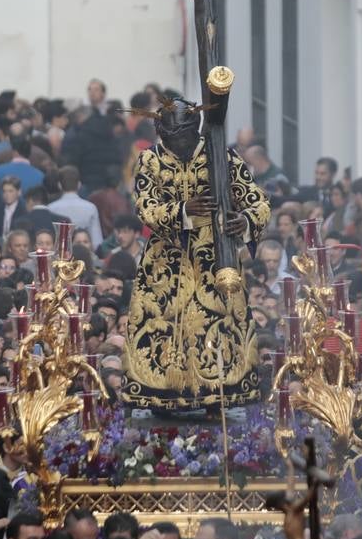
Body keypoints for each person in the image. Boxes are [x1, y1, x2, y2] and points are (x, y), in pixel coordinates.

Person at [122, 98, 270, 411]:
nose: (181, 144)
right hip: (167, 261)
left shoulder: (222, 155)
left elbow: (257, 201)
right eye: (173, 138)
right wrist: (181, 211)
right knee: (162, 326)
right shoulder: (150, 160)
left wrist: (244, 220)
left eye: (186, 136)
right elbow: (144, 206)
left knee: (219, 324)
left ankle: (221, 391)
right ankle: (165, 397)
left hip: (215, 257)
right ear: (162, 133)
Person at [47, 166, 103, 250]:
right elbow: (97, 242)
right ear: (79, 185)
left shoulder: (50, 208)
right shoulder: (91, 208)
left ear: (59, 185)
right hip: (84, 257)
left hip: (60, 258)